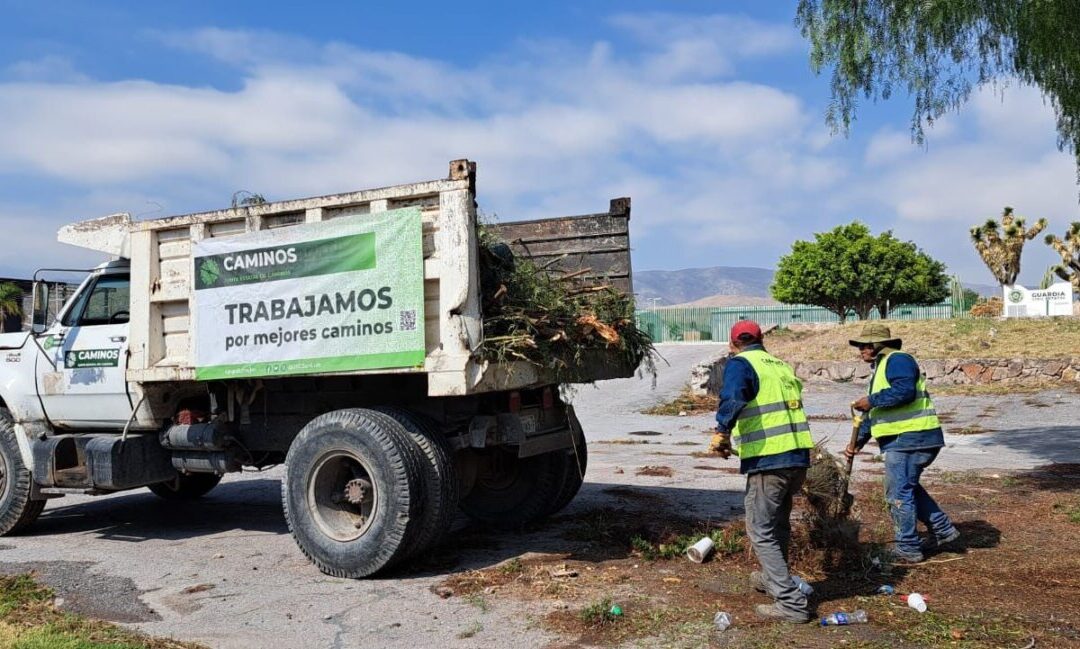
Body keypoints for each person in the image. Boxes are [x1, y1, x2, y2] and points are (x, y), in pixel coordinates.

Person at [711, 320, 814, 623]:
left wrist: (721, 431)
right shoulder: (779, 366)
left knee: (760, 529)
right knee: (778, 524)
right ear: (761, 340)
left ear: (733, 344)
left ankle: (791, 604)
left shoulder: (741, 363)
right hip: (797, 457)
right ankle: (774, 581)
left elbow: (734, 398)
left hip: (770, 461)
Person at [844, 323, 960, 564]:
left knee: (898, 492)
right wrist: (859, 441)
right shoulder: (882, 368)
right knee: (908, 486)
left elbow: (904, 391)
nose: (861, 351)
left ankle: (908, 547)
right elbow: (876, 412)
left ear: (877, 345)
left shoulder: (897, 360)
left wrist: (871, 399)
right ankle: (943, 529)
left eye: (864, 346)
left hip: (910, 439)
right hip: (910, 438)